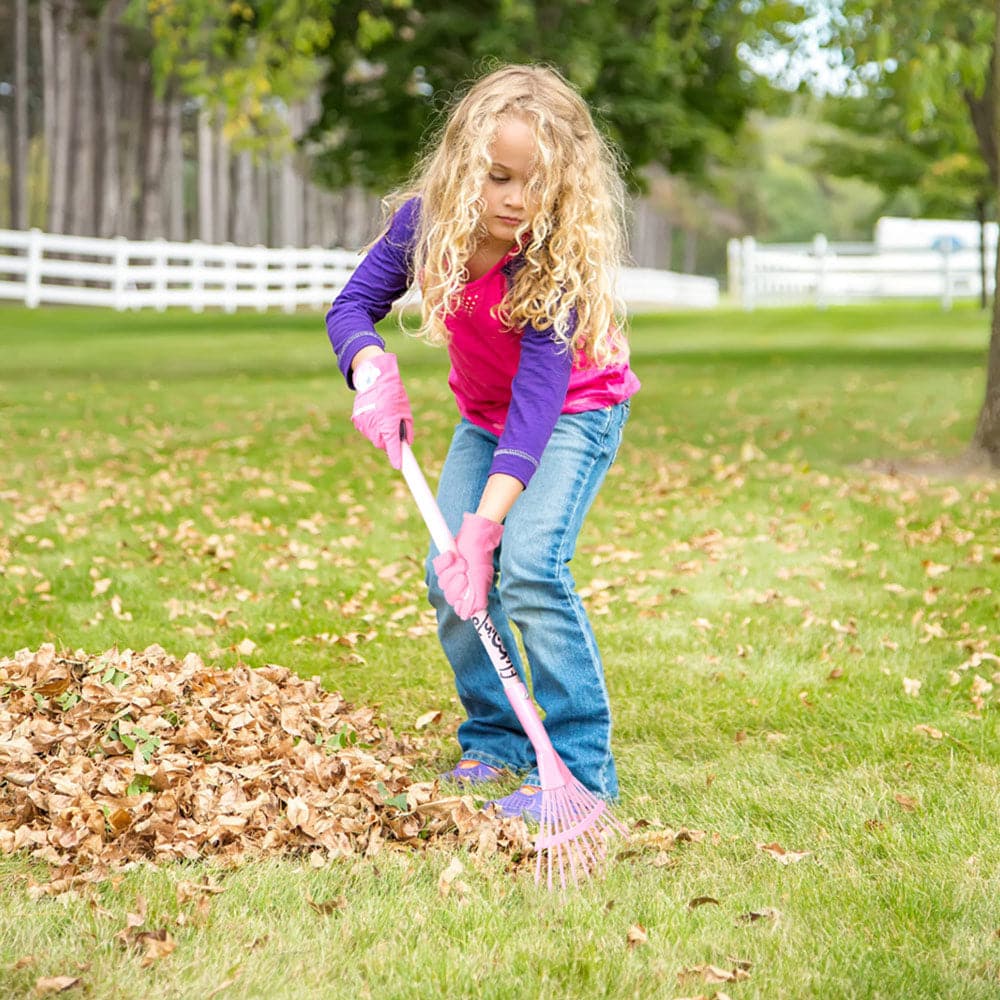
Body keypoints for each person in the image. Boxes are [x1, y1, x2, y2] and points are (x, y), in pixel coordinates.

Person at [325, 64, 640, 819]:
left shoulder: (553, 258)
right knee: (449, 578)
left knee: (528, 566)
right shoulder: (426, 224)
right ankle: (495, 738)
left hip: (573, 414)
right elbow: (353, 305)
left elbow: (537, 408)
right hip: (484, 417)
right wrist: (370, 368)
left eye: (536, 183)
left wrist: (486, 525)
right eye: (498, 177)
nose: (515, 200)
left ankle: (581, 766)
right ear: (468, 165)